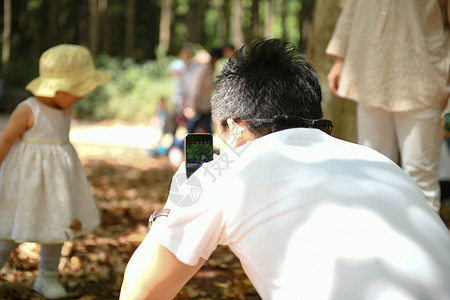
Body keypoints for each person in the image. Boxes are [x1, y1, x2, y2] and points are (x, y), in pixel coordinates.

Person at [120, 39, 450, 300]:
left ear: (234, 128)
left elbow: (140, 293)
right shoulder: (378, 162)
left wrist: (180, 200)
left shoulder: (224, 171)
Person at [0, 44, 110, 299]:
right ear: (59, 89)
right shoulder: (28, 110)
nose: (80, 97)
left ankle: (47, 276)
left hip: (58, 182)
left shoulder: (62, 109)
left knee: (57, 225)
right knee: (9, 225)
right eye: (78, 92)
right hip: (25, 180)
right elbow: (6, 140)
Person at [326, 0, 450, 213]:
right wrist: (340, 58)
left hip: (424, 76)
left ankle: (425, 245)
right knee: (373, 173)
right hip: (369, 71)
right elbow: (355, 6)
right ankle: (378, 243)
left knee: (420, 180)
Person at [184, 48, 222, 134]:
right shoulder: (203, 69)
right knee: (191, 130)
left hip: (206, 106)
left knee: (208, 130)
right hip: (198, 106)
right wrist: (192, 107)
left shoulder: (211, 69)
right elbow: (195, 88)